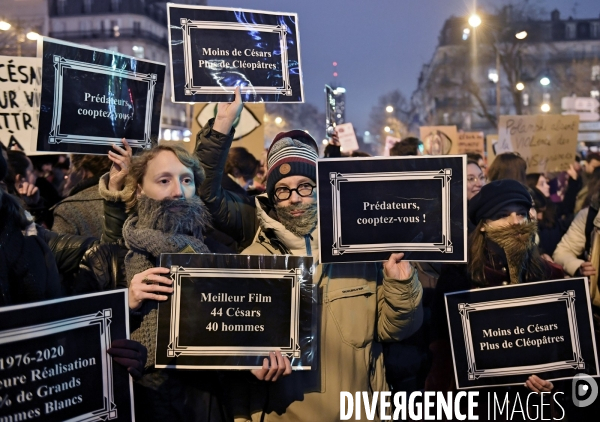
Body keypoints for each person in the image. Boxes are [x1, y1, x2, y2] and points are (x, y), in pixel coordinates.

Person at [195, 89, 423, 421]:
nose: (295, 198)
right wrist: (247, 362)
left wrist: (400, 285)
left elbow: (396, 330)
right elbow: (203, 194)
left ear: (321, 188)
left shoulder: (358, 252)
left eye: (306, 186)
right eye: (283, 189)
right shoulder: (252, 258)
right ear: (272, 196)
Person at [78, 143, 232, 421]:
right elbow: (82, 345)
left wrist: (255, 360)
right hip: (137, 403)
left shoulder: (219, 254)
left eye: (187, 180)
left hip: (204, 405)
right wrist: (126, 302)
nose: (178, 191)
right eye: (164, 180)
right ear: (138, 189)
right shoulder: (109, 259)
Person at [426, 180, 565, 416]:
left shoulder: (550, 275)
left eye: (521, 213)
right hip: (476, 405)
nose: (515, 222)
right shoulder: (458, 277)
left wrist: (552, 379)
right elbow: (441, 350)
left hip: (529, 405)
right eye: (502, 215)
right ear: (483, 225)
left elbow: (563, 347)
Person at [52, 151, 115, 237]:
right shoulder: (132, 197)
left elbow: (55, 248)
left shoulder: (68, 209)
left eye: (71, 168)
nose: (68, 174)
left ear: (83, 172)